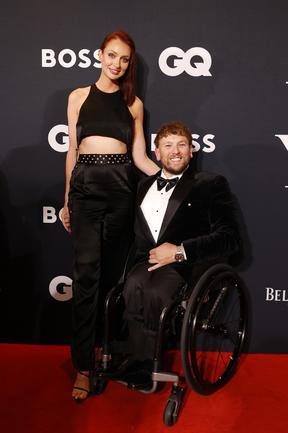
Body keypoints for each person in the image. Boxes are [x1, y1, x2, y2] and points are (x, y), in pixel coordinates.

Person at [61, 30, 159, 401]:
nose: (116, 64)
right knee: (86, 274)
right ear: (99, 54)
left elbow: (139, 158)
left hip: (121, 188)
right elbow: (71, 151)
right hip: (86, 187)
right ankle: (83, 367)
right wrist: (67, 199)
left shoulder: (133, 104)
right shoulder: (78, 97)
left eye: (124, 60)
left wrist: (176, 176)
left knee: (112, 278)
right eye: (112, 55)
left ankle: (106, 352)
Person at [122, 121, 241, 389]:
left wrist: (179, 251)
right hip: (147, 263)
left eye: (181, 145)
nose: (175, 151)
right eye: (168, 146)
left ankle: (150, 366)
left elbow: (230, 238)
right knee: (131, 287)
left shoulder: (210, 184)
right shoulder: (143, 186)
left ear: (191, 151)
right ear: (156, 153)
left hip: (185, 266)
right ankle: (138, 360)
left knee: (156, 294)